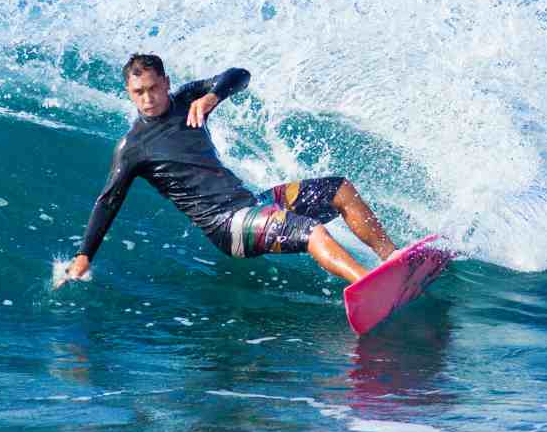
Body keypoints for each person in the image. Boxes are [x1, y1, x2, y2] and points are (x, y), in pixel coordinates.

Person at [61, 53, 398, 286]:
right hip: (228, 225)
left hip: (251, 205)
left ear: (165, 82)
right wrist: (83, 256)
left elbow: (240, 75)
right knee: (312, 231)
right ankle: (369, 285)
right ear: (129, 93)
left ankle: (392, 259)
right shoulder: (132, 148)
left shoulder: (188, 100)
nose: (147, 98)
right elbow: (108, 202)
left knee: (340, 189)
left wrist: (213, 97)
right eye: (138, 92)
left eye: (153, 88)